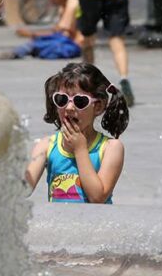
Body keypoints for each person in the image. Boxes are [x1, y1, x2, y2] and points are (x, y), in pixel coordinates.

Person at [25, 62, 128, 203]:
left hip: (96, 225)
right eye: (62, 99)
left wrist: (80, 149)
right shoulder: (46, 145)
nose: (69, 107)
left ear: (98, 106)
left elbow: (98, 197)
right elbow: (23, 190)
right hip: (59, 224)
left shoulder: (111, 148)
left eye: (80, 101)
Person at [4, 0, 83, 59]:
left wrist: (31, 34)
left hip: (74, 45)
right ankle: (21, 51)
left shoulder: (72, 3)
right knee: (40, 41)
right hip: (66, 42)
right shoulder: (62, 7)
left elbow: (61, 32)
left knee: (44, 43)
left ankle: (19, 52)